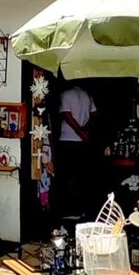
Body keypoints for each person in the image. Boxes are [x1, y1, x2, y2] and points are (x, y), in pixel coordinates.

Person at [57, 83, 97, 219]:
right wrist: (85, 130)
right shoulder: (87, 95)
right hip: (82, 141)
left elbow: (67, 115)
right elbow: (94, 114)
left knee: (68, 175)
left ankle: (70, 210)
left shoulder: (66, 94)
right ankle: (81, 209)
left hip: (67, 138)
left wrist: (79, 131)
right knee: (81, 175)